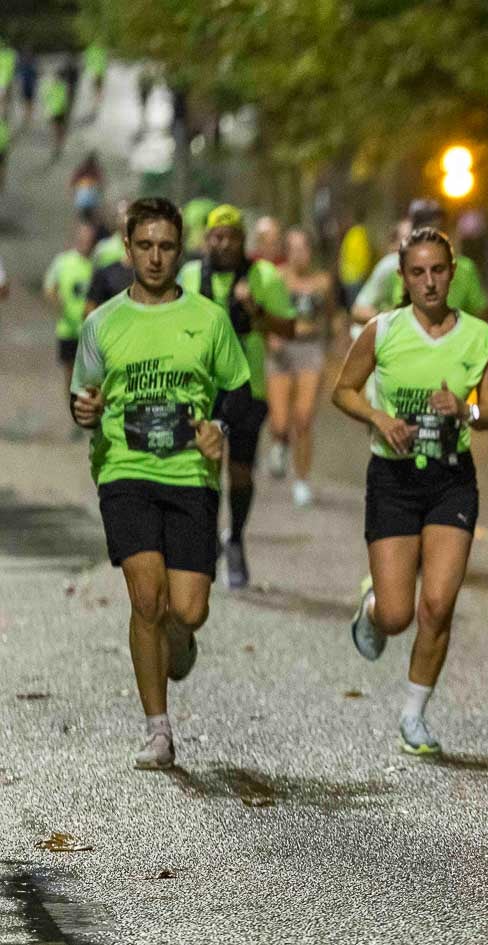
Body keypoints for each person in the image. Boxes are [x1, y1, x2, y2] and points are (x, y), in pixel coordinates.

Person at [68, 197, 253, 769]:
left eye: (166, 246)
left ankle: (181, 635)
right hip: (125, 470)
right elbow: (83, 398)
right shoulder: (102, 323)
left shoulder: (208, 319)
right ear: (127, 250)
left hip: (189, 475)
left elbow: (239, 392)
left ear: (181, 250)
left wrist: (218, 427)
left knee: (188, 610)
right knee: (145, 599)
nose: (154, 257)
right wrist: (83, 411)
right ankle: (159, 731)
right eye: (144, 246)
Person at [333, 227, 488, 755]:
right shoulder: (382, 331)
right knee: (398, 615)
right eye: (417, 272)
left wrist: (465, 409)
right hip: (394, 480)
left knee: (438, 607)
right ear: (402, 279)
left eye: (438, 270)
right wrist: (381, 418)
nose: (429, 282)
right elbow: (343, 391)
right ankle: (374, 607)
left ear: (453, 273)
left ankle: (414, 716)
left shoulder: (478, 336)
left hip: (451, 481)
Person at [177, 205, 296, 588]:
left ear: (243, 242)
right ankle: (207, 537)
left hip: (249, 387)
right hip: (200, 390)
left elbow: (290, 328)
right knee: (202, 468)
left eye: (230, 237)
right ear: (207, 239)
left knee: (240, 472)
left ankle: (236, 538)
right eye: (216, 236)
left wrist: (254, 310)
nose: (223, 243)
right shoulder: (192, 276)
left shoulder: (264, 276)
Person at [267, 228, 341, 506]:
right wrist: (270, 335)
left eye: (304, 248)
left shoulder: (322, 281)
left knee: (304, 417)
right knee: (280, 420)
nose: (300, 254)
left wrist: (336, 338)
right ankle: (279, 442)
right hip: (281, 351)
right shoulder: (276, 279)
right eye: (294, 249)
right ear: (286, 252)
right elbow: (263, 314)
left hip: (310, 349)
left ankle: (301, 480)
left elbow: (332, 315)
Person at [352, 199, 488, 328]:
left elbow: (481, 314)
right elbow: (359, 310)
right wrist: (392, 322)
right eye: (417, 272)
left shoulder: (464, 268)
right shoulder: (392, 265)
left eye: (437, 230)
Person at [45, 220, 97, 394]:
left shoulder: (97, 264)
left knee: (90, 375)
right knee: (69, 372)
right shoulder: (63, 261)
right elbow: (50, 288)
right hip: (68, 329)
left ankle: (87, 409)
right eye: (82, 239)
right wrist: (59, 305)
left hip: (90, 330)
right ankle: (72, 406)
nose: (86, 243)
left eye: (89, 240)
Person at [41, 69, 70, 161]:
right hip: (57, 112)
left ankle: (57, 145)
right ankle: (57, 145)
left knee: (58, 130)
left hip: (58, 111)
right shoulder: (62, 87)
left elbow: (46, 98)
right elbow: (47, 99)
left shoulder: (59, 87)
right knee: (58, 129)